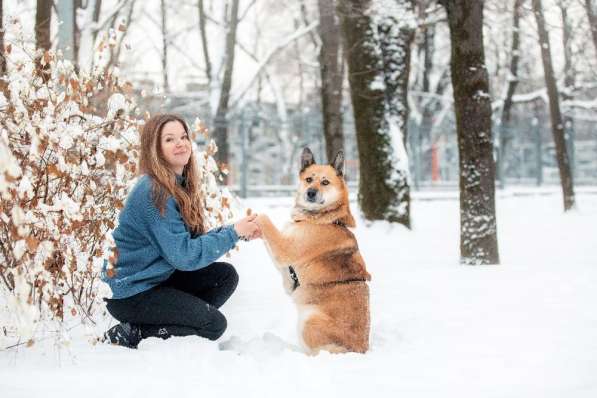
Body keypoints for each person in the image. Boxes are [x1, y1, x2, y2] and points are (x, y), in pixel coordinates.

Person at [100, 114, 260, 349]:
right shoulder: (154, 192)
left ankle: (182, 320)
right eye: (169, 139)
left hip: (157, 279)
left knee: (224, 277)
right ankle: (138, 330)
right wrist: (233, 233)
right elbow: (185, 257)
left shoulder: (176, 185)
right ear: (155, 149)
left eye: (184, 137)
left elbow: (189, 245)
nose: (180, 143)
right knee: (213, 325)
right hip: (132, 293)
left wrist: (237, 232)